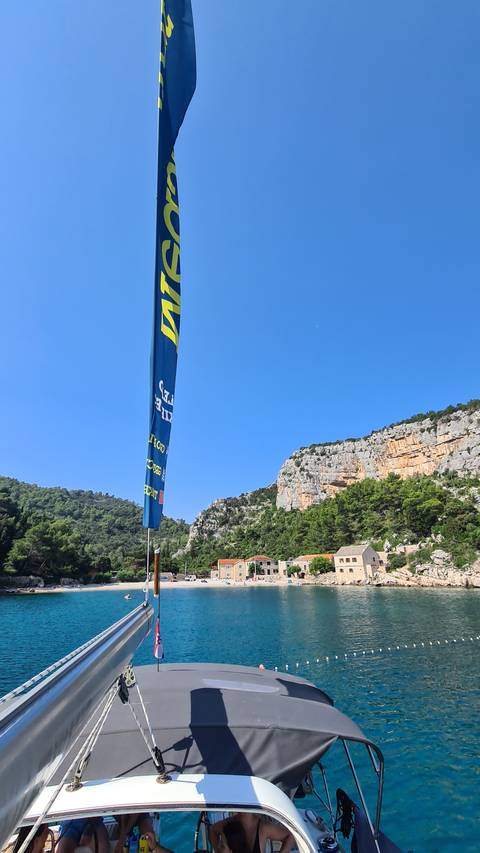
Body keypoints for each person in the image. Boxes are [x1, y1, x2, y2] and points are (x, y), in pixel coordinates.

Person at [209, 813, 295, 853]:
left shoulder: (263, 828)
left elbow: (290, 835)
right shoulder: (228, 824)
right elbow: (213, 830)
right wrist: (218, 851)